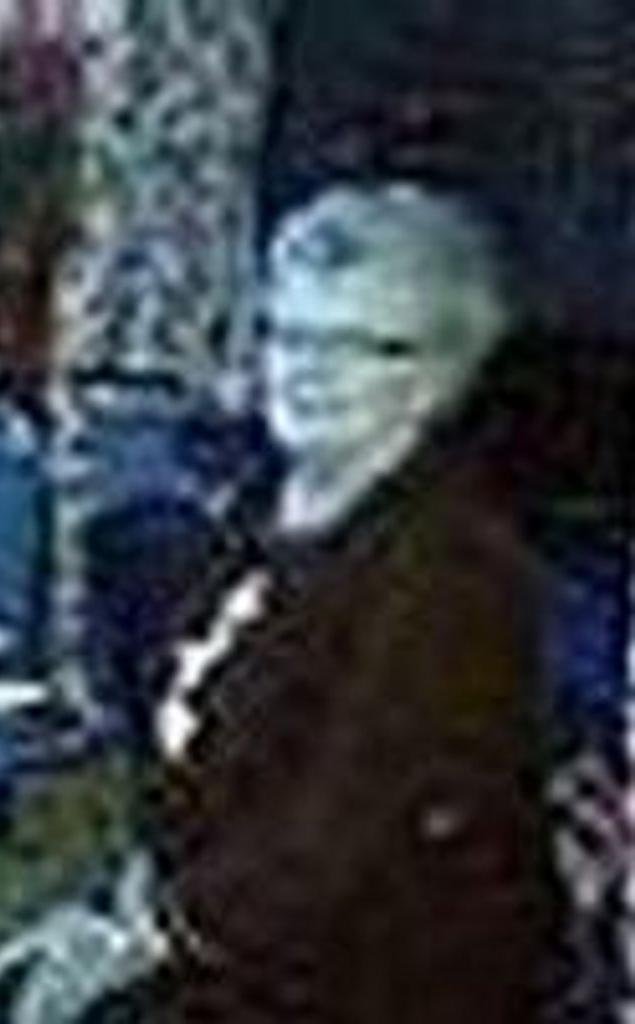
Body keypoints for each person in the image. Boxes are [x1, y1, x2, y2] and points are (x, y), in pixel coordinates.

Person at [137, 183, 575, 1023]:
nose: (307, 369)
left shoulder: (455, 571)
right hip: (231, 940)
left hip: (372, 987)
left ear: (446, 372)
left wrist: (143, 929)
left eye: (364, 346)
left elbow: (332, 843)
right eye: (289, 334)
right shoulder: (262, 507)